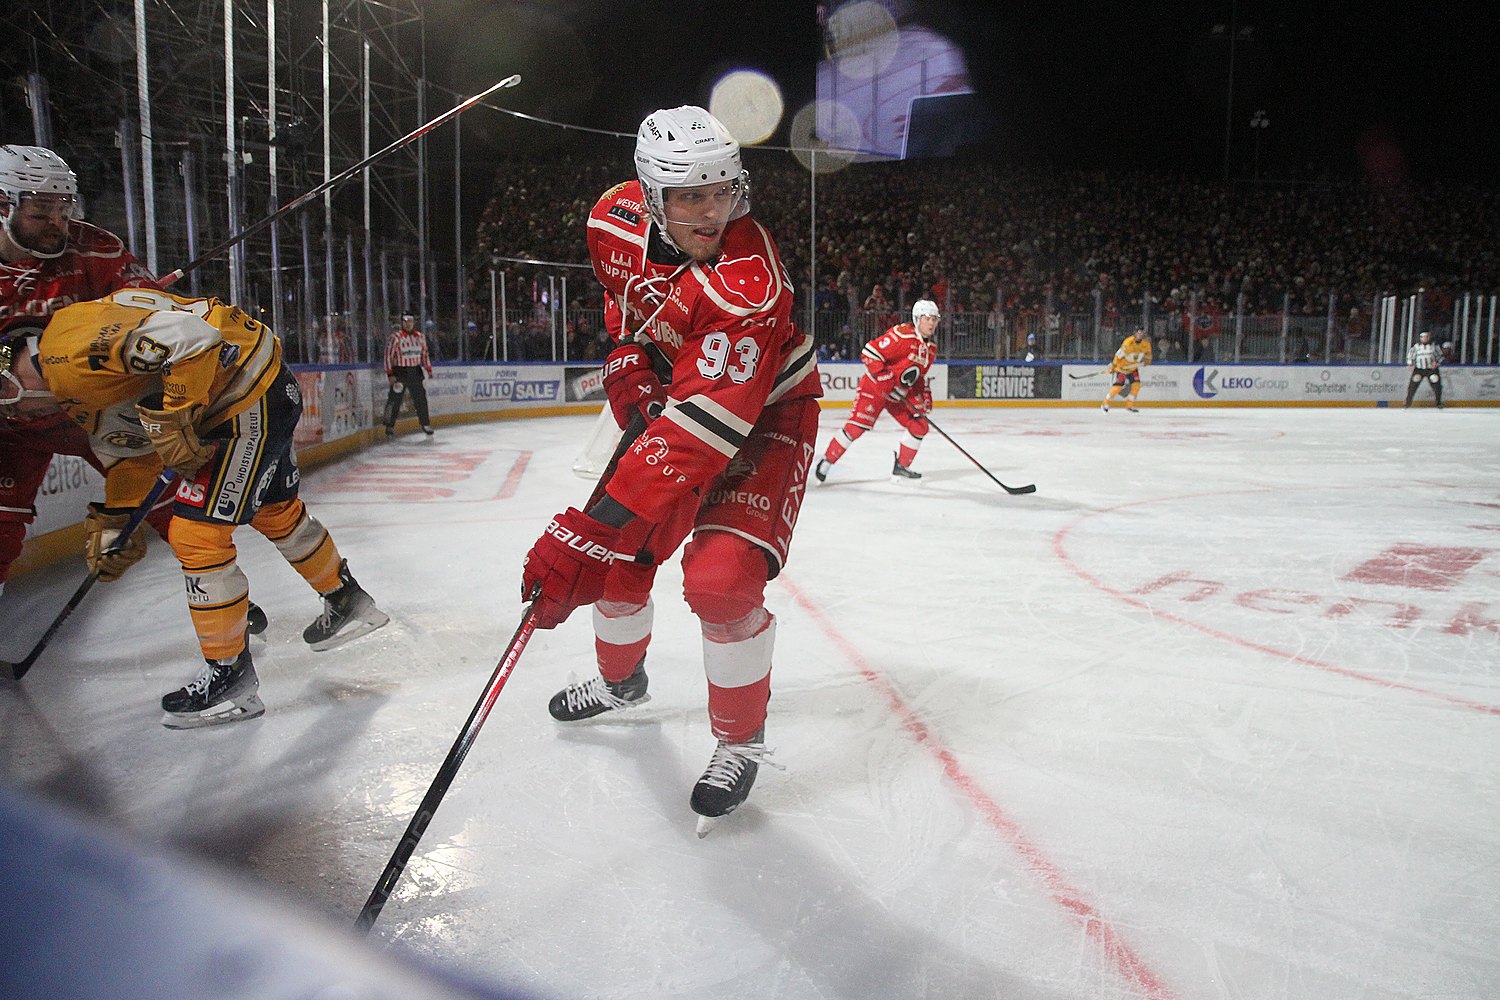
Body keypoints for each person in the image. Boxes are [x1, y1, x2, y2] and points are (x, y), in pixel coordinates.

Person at [519, 105, 821, 828]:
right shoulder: (612, 219)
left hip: (761, 416)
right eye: (691, 196)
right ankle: (622, 685)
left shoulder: (748, 279)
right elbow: (625, 300)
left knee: (719, 583)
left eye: (723, 191)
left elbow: (701, 430)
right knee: (616, 568)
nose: (713, 211)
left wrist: (581, 527)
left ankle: (740, 741)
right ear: (652, 197)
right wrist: (627, 354)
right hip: (687, 403)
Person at [17, 287, 389, 728]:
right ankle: (347, 598)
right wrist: (117, 517)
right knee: (276, 513)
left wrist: (174, 413)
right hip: (260, 379)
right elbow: (133, 453)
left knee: (196, 535)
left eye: (4, 374)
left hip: (242, 396)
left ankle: (228, 674)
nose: (8, 398)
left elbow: (190, 337)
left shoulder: (69, 359)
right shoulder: (76, 334)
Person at [0, 143, 174, 599]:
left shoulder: (94, 247)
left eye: (64, 206)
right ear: (3, 206)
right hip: (7, 425)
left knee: (165, 497)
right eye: (41, 210)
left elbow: (150, 314)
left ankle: (219, 589)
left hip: (90, 410)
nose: (58, 221)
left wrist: (149, 303)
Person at [815, 299, 939, 483]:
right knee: (858, 426)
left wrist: (925, 396)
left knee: (919, 425)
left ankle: (901, 467)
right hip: (874, 388)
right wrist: (885, 378)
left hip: (897, 394)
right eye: (927, 318)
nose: (931, 323)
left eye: (934, 319)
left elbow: (918, 377)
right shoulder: (902, 336)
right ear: (917, 318)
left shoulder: (931, 349)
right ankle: (827, 461)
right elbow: (870, 352)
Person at [382, 313, 433, 436]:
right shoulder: (396, 337)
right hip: (400, 371)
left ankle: (425, 423)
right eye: (405, 321)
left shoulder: (420, 337)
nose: (408, 323)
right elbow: (388, 355)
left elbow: (424, 354)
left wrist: (428, 369)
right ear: (402, 322)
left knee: (421, 399)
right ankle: (389, 425)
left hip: (415, 370)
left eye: (410, 321)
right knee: (394, 399)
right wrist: (390, 373)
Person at [1102, 327, 1153, 412]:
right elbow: (1118, 355)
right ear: (1135, 333)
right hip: (1122, 368)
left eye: (1142, 333)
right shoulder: (1128, 342)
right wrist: (1113, 366)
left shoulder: (1146, 344)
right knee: (1117, 388)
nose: (1140, 335)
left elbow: (1148, 355)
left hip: (1133, 368)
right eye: (1138, 333)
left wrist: (1147, 360)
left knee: (1136, 386)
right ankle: (1105, 403)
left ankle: (1130, 405)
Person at [1404, 330, 1444, 409]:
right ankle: (1407, 403)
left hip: (1431, 369)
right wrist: (1410, 363)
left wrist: (1436, 362)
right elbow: (1410, 356)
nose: (1425, 338)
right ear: (1420, 338)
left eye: (1426, 337)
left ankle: (1438, 403)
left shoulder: (1434, 346)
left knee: (1436, 385)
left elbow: (1441, 356)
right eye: (1423, 337)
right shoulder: (1416, 347)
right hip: (1419, 369)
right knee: (1412, 386)